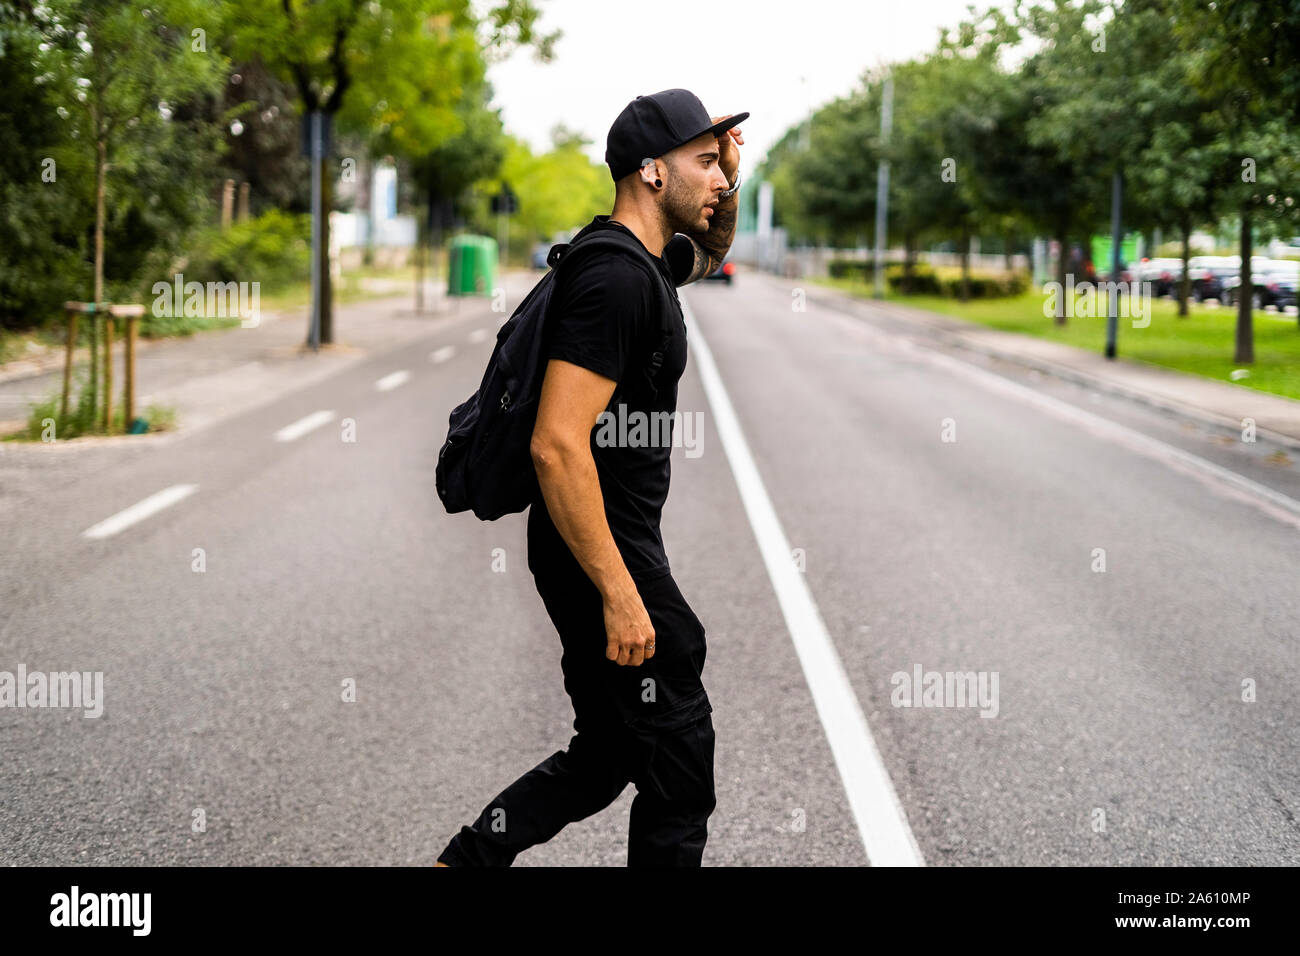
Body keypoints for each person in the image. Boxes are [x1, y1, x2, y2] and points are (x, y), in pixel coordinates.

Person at [435, 89, 747, 867]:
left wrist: (730, 180)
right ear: (652, 171)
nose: (719, 178)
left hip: (593, 546)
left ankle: (461, 864)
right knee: (680, 772)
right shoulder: (615, 281)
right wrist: (620, 593)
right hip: (603, 554)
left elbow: (708, 253)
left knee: (608, 754)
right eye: (704, 162)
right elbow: (556, 446)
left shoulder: (641, 263)